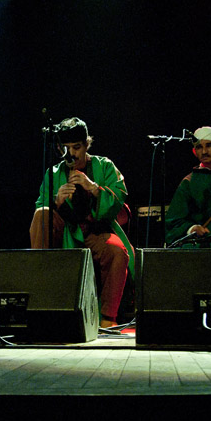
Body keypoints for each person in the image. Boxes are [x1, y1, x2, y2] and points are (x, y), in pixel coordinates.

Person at [29, 117, 133, 328]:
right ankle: (42, 304)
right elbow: (41, 208)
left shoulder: (104, 166)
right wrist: (56, 202)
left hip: (95, 230)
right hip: (67, 231)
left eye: (76, 147)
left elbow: (119, 198)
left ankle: (107, 319)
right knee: (42, 213)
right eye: (66, 148)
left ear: (87, 144)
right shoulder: (54, 173)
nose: (71, 154)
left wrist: (94, 188)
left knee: (116, 250)